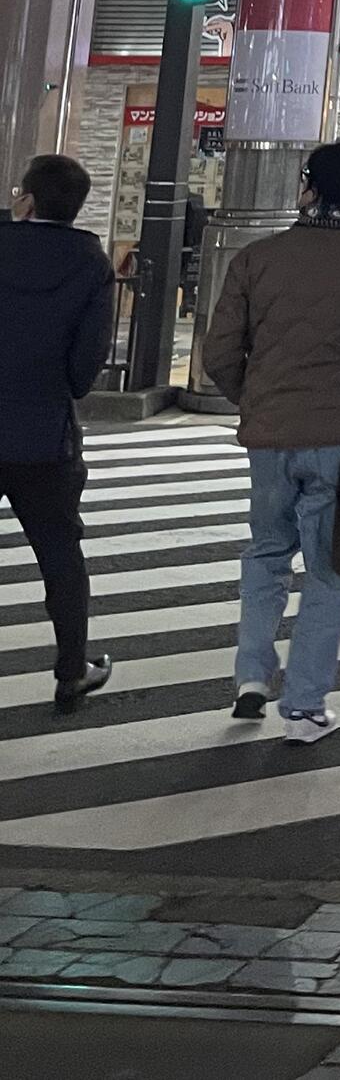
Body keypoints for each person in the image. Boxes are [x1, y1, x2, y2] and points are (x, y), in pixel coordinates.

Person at [204, 139, 340, 741]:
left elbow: (219, 350)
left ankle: (251, 675)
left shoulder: (258, 257)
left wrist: (253, 395)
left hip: (269, 430)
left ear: (309, 186)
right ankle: (303, 705)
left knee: (266, 550)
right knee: (327, 568)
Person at [0, 153, 114, 714]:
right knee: (60, 554)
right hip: (44, 434)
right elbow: (82, 370)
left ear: (27, 199)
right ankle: (72, 671)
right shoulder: (90, 261)